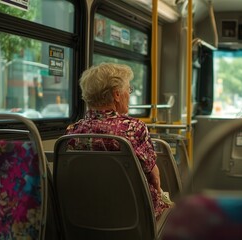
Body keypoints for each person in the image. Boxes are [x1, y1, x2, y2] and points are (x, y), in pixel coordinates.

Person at [65, 62, 171, 220]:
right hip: (132, 214)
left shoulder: (73, 133)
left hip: (87, 213)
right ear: (116, 95)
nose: (129, 93)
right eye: (128, 89)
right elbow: (154, 177)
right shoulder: (134, 128)